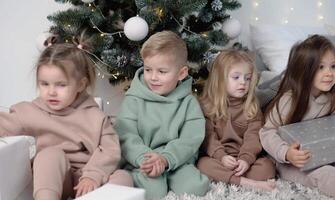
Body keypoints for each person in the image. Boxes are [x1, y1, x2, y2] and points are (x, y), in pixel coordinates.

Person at [0, 36, 133, 200]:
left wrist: (92, 175)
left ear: (81, 85)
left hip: (87, 180)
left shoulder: (94, 115)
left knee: (123, 177)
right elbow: (5, 123)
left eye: (61, 85)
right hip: (55, 180)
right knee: (49, 155)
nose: (51, 92)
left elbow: (110, 150)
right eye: (44, 84)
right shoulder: (31, 111)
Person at [260, 34, 335, 200]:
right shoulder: (289, 100)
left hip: (328, 154)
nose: (329, 73)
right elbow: (267, 132)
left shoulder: (331, 99)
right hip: (296, 163)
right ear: (304, 70)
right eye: (320, 67)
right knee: (327, 174)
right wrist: (286, 153)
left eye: (333, 67)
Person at [115, 31, 209, 199]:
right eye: (148, 69)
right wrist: (145, 160)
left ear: (181, 73)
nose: (153, 77)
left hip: (176, 160)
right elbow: (126, 134)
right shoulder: (134, 99)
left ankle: (167, 172)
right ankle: (128, 178)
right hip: (143, 160)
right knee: (153, 192)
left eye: (162, 71)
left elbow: (190, 139)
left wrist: (166, 159)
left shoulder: (189, 103)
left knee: (197, 187)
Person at [197, 50, 276, 191]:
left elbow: (253, 138)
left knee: (267, 167)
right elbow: (208, 137)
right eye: (236, 77)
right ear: (220, 79)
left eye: (247, 78)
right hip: (218, 158)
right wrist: (221, 157)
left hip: (244, 159)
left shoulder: (251, 107)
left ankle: (231, 177)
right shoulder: (207, 106)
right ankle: (245, 183)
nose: (243, 83)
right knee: (202, 165)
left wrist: (245, 159)